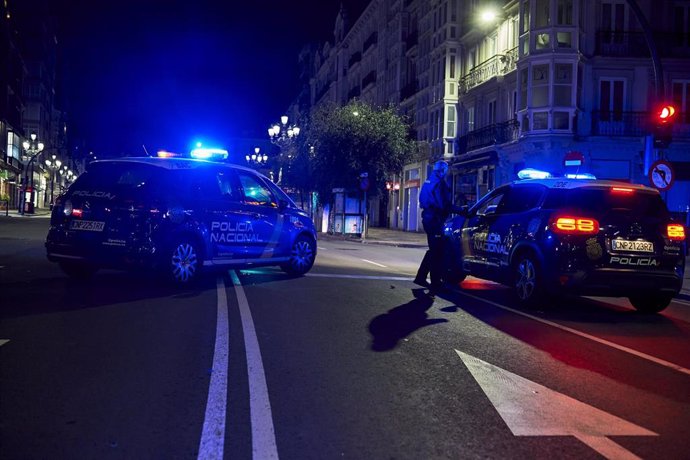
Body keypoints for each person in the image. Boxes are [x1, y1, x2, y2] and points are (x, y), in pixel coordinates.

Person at [414, 160, 461, 294]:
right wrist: (462, 211)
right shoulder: (440, 184)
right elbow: (444, 205)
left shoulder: (428, 181)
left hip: (429, 219)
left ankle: (421, 277)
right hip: (435, 220)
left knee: (434, 249)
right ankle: (435, 283)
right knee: (437, 252)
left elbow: (422, 200)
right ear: (444, 170)